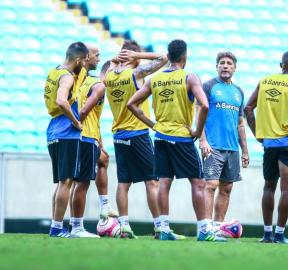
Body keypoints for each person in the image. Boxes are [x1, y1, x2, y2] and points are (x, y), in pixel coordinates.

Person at [127, 39, 225, 241]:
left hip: (161, 136)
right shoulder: (189, 77)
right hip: (181, 137)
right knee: (197, 183)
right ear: (184, 57)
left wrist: (152, 124)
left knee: (164, 182)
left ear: (169, 56)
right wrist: (198, 132)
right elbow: (204, 106)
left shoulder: (154, 79)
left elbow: (131, 103)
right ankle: (205, 230)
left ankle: (163, 229)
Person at [105, 40, 169, 239]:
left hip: (119, 135)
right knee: (151, 181)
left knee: (124, 182)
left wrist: (113, 61)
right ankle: (159, 227)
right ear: (133, 56)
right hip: (139, 133)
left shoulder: (108, 76)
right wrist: (139, 57)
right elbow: (164, 58)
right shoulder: (136, 73)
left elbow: (102, 73)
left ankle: (124, 226)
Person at [245, 51, 288, 244]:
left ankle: (267, 234)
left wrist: (257, 134)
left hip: (269, 143)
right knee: (286, 190)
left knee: (268, 187)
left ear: (281, 65)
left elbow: (247, 108)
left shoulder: (265, 81)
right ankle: (280, 234)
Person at [69, 46, 117, 237]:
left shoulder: (77, 80)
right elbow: (83, 114)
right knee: (81, 183)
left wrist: (100, 142)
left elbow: (93, 118)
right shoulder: (97, 85)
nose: (98, 58)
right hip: (84, 137)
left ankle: (105, 205)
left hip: (86, 137)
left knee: (103, 159)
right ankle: (77, 227)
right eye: (97, 55)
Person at [198, 51, 249, 230]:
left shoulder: (238, 92)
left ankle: (218, 228)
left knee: (226, 188)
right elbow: (199, 115)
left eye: (229, 63)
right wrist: (202, 141)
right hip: (213, 146)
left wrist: (245, 150)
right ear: (217, 66)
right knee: (210, 185)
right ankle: (205, 227)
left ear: (235, 68)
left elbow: (240, 123)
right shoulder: (208, 86)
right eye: (222, 63)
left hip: (232, 148)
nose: (225, 66)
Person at [44, 42, 88, 237]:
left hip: (53, 129)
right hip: (65, 132)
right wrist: (76, 121)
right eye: (84, 60)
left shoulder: (54, 71)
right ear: (77, 60)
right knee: (67, 181)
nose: (86, 64)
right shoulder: (67, 77)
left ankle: (56, 226)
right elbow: (62, 100)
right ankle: (56, 228)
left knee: (62, 182)